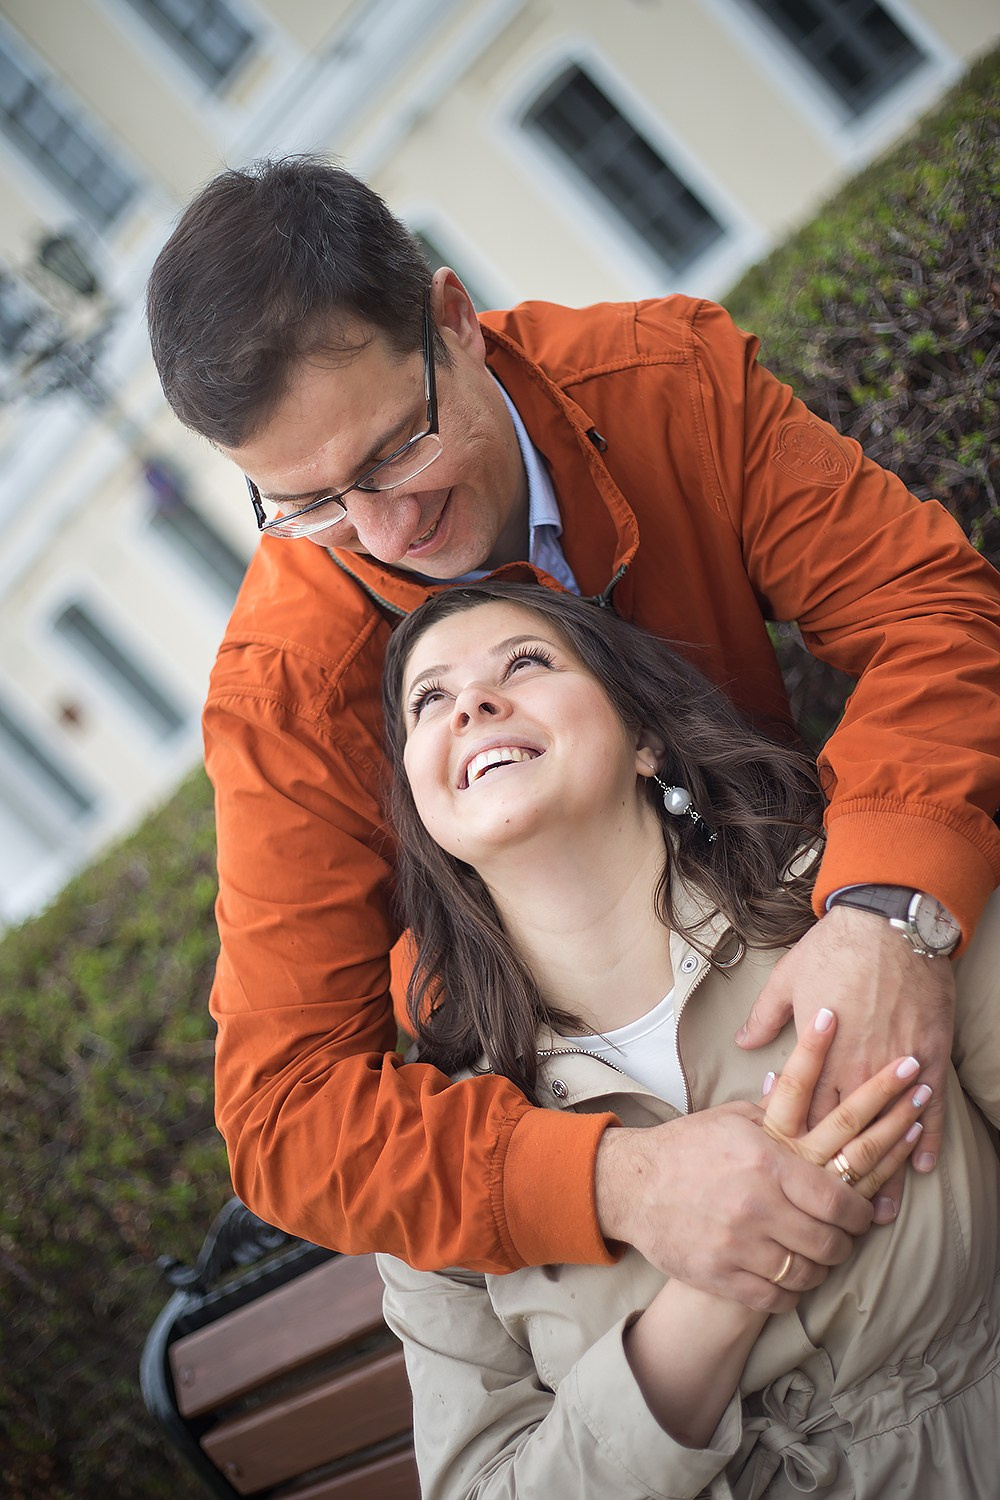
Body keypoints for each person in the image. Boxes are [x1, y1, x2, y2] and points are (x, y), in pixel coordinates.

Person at [144, 155, 1000, 1292]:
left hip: (817, 949)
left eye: (395, 449)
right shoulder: (284, 691)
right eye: (307, 506)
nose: (384, 529)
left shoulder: (666, 380)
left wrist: (891, 911)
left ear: (455, 320)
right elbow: (286, 1116)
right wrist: (618, 1180)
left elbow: (933, 614)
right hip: (587, 1112)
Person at [376, 580, 1000, 1499]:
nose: (471, 704)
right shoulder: (442, 1145)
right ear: (423, 811)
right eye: (430, 700)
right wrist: (720, 1293)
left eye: (527, 663)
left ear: (644, 739)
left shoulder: (863, 919)